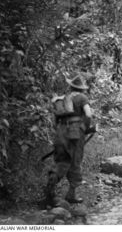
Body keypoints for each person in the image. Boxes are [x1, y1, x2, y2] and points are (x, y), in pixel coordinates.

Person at [44, 75, 94, 205]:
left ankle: (50, 193)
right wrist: (84, 127)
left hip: (60, 133)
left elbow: (55, 121)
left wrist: (60, 130)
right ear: (82, 88)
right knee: (75, 161)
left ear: (70, 86)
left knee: (61, 161)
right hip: (75, 134)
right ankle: (71, 194)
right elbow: (88, 114)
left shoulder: (63, 99)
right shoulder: (82, 98)